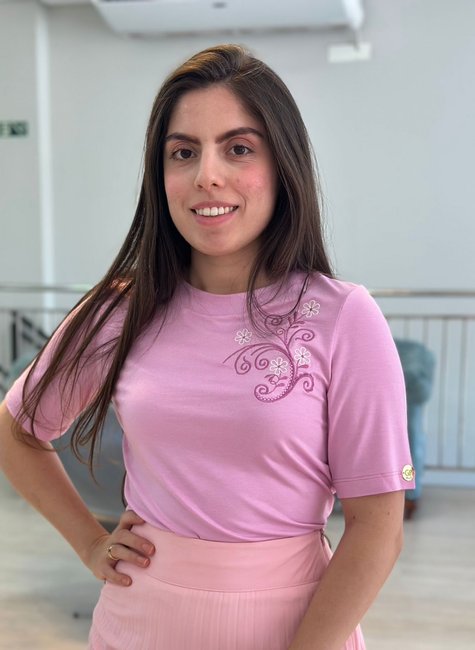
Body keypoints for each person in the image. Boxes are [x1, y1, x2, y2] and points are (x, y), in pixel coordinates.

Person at [0, 44, 415, 650]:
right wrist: (90, 542)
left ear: (282, 164)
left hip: (295, 627)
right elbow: (17, 429)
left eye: (238, 148)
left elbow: (378, 527)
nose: (206, 176)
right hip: (138, 624)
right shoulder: (121, 310)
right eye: (183, 152)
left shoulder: (343, 318)